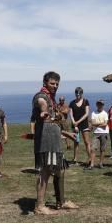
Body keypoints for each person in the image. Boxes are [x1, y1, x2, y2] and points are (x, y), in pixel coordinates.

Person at [32, 71, 78, 215]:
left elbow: (53, 124)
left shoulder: (52, 99)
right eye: (52, 83)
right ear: (45, 82)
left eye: (57, 83)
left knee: (60, 170)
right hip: (45, 142)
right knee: (45, 172)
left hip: (55, 140)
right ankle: (39, 206)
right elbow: (41, 104)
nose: (55, 86)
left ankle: (61, 202)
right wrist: (43, 112)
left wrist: (67, 134)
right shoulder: (41, 96)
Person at [70, 87, 91, 166]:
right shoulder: (72, 103)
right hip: (75, 126)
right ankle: (75, 159)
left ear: (82, 93)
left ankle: (90, 159)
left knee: (86, 142)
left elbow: (86, 114)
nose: (78, 95)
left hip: (84, 124)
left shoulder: (86, 101)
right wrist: (74, 123)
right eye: (76, 93)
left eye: (79, 93)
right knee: (76, 142)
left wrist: (78, 122)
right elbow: (71, 114)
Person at [90, 99, 109, 169]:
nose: (100, 105)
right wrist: (101, 124)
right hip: (96, 133)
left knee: (102, 149)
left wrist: (96, 124)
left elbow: (105, 124)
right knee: (93, 149)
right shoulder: (93, 113)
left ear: (103, 105)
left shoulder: (105, 114)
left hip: (104, 133)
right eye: (99, 104)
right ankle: (92, 164)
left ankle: (101, 164)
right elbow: (93, 123)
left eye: (101, 104)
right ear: (97, 104)